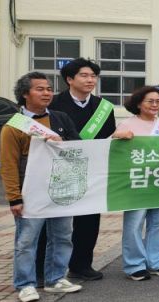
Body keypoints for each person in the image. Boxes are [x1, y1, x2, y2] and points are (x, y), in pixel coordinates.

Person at [1, 72, 84, 301]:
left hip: (61, 188)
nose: (47, 93)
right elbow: (8, 165)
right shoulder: (14, 126)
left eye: (48, 89)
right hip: (30, 193)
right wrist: (14, 198)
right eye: (40, 89)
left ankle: (55, 279)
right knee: (27, 241)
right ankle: (25, 284)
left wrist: (62, 144)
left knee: (62, 236)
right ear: (25, 94)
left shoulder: (60, 118)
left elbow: (79, 147)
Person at [48, 58, 118, 282]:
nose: (90, 80)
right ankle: (46, 270)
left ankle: (81, 265)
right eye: (84, 75)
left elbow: (108, 136)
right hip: (58, 170)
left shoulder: (103, 107)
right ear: (69, 79)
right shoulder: (53, 103)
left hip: (91, 170)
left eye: (93, 76)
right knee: (54, 222)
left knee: (89, 219)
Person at [111, 86, 159, 281]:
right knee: (135, 223)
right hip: (136, 182)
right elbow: (114, 150)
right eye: (150, 101)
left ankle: (157, 261)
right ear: (139, 103)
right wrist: (117, 137)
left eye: (158, 101)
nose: (155, 105)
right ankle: (134, 264)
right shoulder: (127, 124)